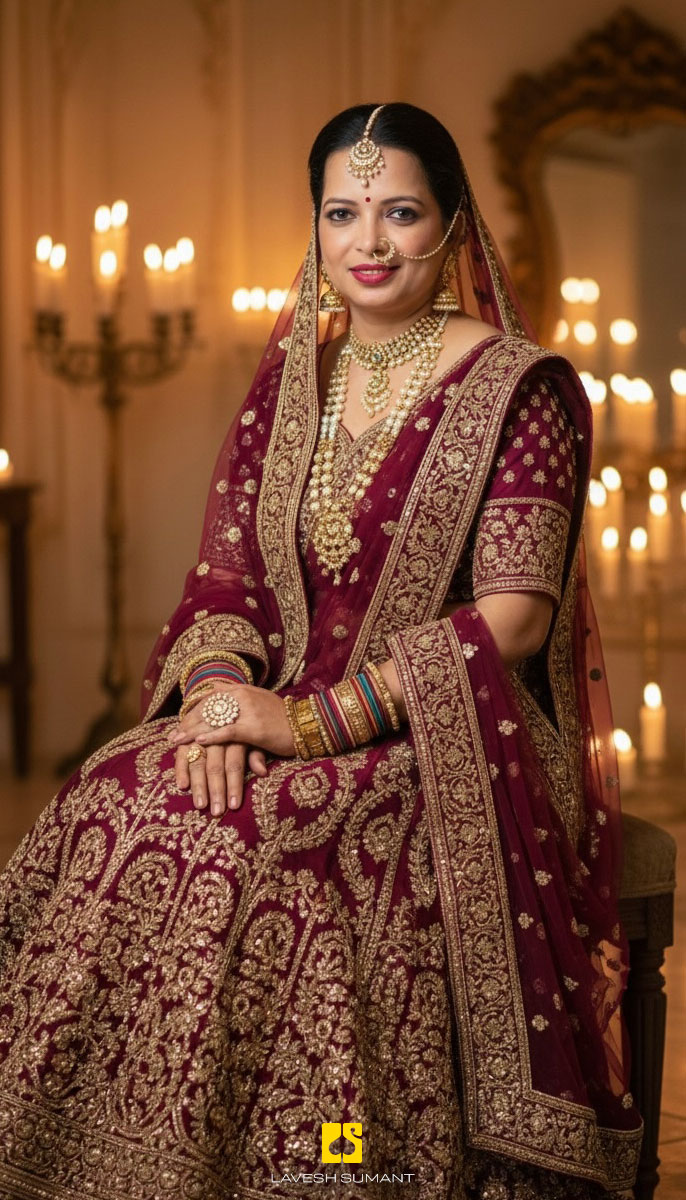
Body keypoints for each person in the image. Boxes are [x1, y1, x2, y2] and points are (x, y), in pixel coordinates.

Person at [0, 102, 641, 1199]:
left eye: (398, 212)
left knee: (255, 841)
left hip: (443, 735)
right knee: (116, 792)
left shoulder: (521, 388)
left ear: (449, 226)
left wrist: (301, 725)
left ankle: (322, 1166)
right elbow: (226, 580)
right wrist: (216, 705)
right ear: (315, 226)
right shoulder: (291, 384)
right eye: (341, 213)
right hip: (268, 708)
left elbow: (514, 620)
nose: (369, 243)